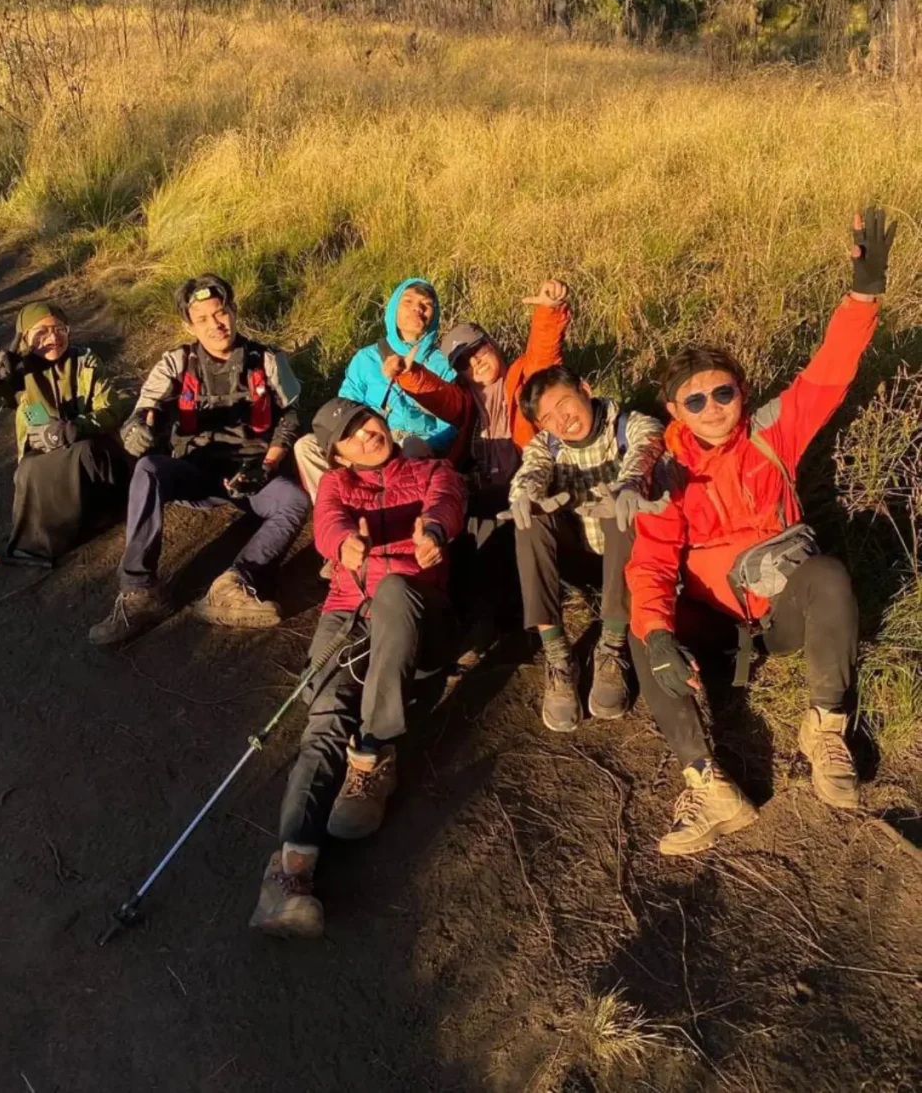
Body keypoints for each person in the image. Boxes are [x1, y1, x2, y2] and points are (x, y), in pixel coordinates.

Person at [625, 209, 896, 857]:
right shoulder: (666, 471)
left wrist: (864, 291)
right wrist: (660, 635)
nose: (713, 407)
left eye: (723, 392)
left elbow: (831, 371)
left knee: (828, 573)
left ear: (742, 392)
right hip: (709, 622)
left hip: (775, 613)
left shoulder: (773, 433)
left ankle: (825, 727)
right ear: (674, 412)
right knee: (642, 621)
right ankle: (707, 780)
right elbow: (653, 563)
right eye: (695, 400)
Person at [249, 396, 466, 938]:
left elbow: (447, 502)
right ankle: (290, 875)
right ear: (338, 453)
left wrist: (433, 534)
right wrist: (345, 547)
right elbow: (329, 525)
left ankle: (371, 753)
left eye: (367, 421)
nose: (367, 434)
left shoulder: (430, 468)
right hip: (348, 611)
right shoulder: (337, 487)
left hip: (419, 612)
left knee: (394, 586)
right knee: (323, 719)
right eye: (351, 434)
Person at [88, 274, 309, 645]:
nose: (215, 325)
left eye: (220, 313)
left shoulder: (268, 359)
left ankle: (234, 585)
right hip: (195, 471)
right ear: (189, 325)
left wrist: (268, 465)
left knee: (295, 500)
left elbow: (291, 415)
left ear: (234, 311)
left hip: (250, 475)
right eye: (202, 319)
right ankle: (138, 592)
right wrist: (137, 428)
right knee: (148, 469)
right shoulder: (176, 363)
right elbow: (143, 411)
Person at [383, 279, 571, 646]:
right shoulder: (467, 399)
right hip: (485, 490)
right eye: (464, 362)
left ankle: (501, 623)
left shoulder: (522, 380)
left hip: (530, 484)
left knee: (489, 525)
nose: (476, 362)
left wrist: (549, 312)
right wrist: (407, 374)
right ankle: (468, 620)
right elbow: (439, 396)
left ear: (493, 346)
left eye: (479, 350)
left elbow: (544, 354)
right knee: (461, 528)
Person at [507, 368, 664, 731]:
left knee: (620, 511)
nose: (563, 420)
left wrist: (629, 487)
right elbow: (530, 472)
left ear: (585, 388)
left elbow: (648, 448)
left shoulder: (630, 426)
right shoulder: (546, 446)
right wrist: (525, 495)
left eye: (565, 404)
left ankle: (612, 645)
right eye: (548, 417)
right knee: (528, 520)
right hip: (576, 553)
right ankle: (558, 655)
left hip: (624, 555)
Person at [0, 300, 131, 561]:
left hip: (90, 447)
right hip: (45, 454)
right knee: (29, 469)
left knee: (83, 451)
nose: (53, 338)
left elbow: (113, 409)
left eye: (59, 329)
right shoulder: (17, 375)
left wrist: (75, 428)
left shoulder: (84, 361)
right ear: (25, 337)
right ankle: (37, 546)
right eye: (41, 332)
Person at [292, 278, 457, 506]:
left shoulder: (444, 365)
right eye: (407, 302)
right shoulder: (366, 358)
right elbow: (346, 405)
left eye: (426, 304)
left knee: (410, 449)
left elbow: (453, 420)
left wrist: (427, 443)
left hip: (411, 444)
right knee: (307, 446)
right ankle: (335, 510)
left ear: (434, 315)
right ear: (392, 311)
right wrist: (356, 437)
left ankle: (399, 516)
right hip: (367, 436)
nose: (417, 308)